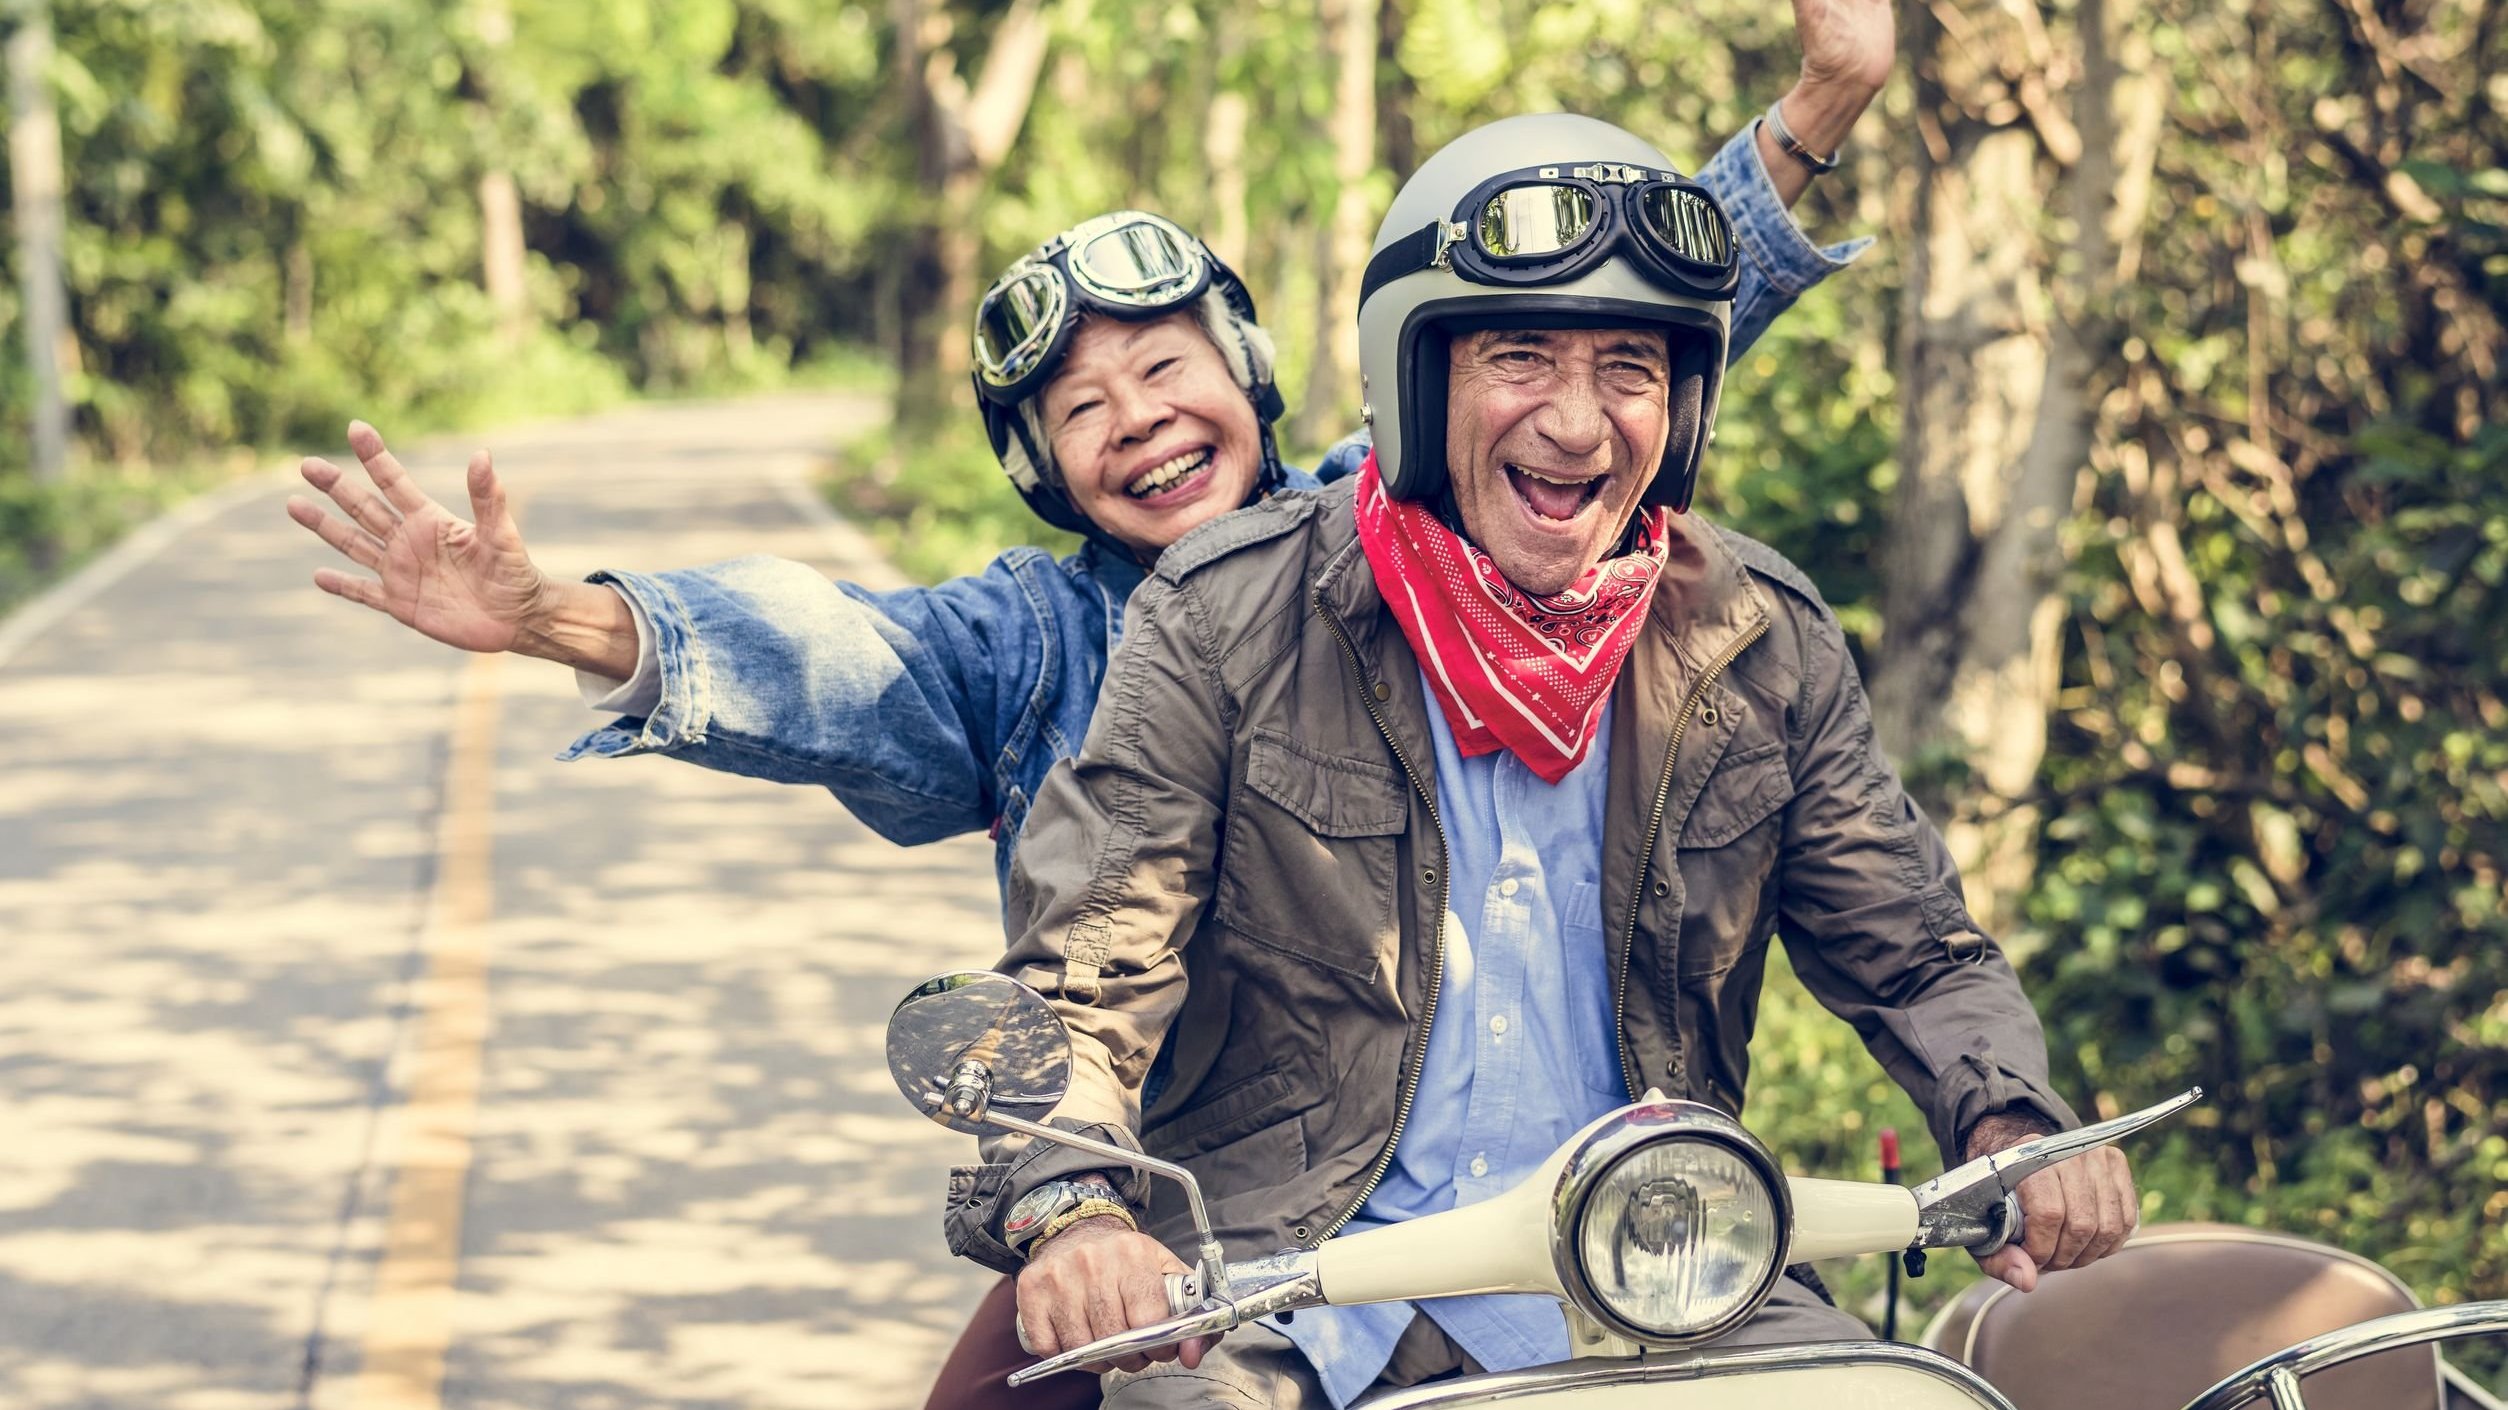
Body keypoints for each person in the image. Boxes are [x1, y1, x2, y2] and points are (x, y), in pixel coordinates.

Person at [285, 25, 1883, 1406]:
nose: (1139, 421)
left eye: (1167, 365)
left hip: (1547, 1197)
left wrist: (1812, 115)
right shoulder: (1034, 639)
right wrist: (561, 614)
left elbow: (1590, 336)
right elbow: (829, 652)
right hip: (1165, 1208)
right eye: (1082, 409)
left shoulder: (1399, 528)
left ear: (1255, 382)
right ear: (1049, 468)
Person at [950, 110, 2143, 1410]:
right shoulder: (1222, 614)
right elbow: (1085, 968)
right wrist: (1072, 1211)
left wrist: (2012, 1122)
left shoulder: (1761, 639)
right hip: (1293, 1288)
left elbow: (1912, 946)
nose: (1578, 424)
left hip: (1670, 1270)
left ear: (1680, 406)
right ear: (1414, 379)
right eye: (1521, 355)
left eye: (1630, 366)